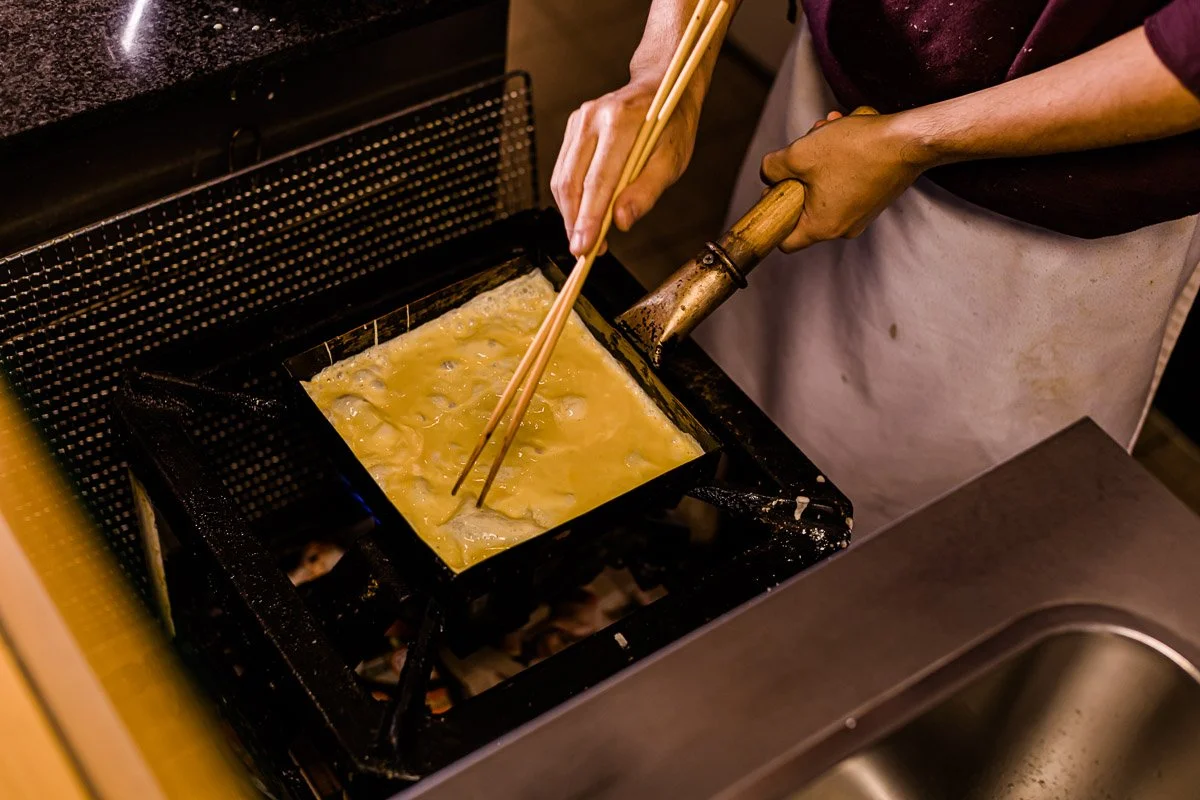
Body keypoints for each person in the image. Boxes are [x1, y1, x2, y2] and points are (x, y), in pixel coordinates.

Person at [552, 0, 1200, 534]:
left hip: (1045, 227)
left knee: (918, 545)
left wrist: (913, 141)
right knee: (747, 405)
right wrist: (665, 78)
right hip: (830, 108)